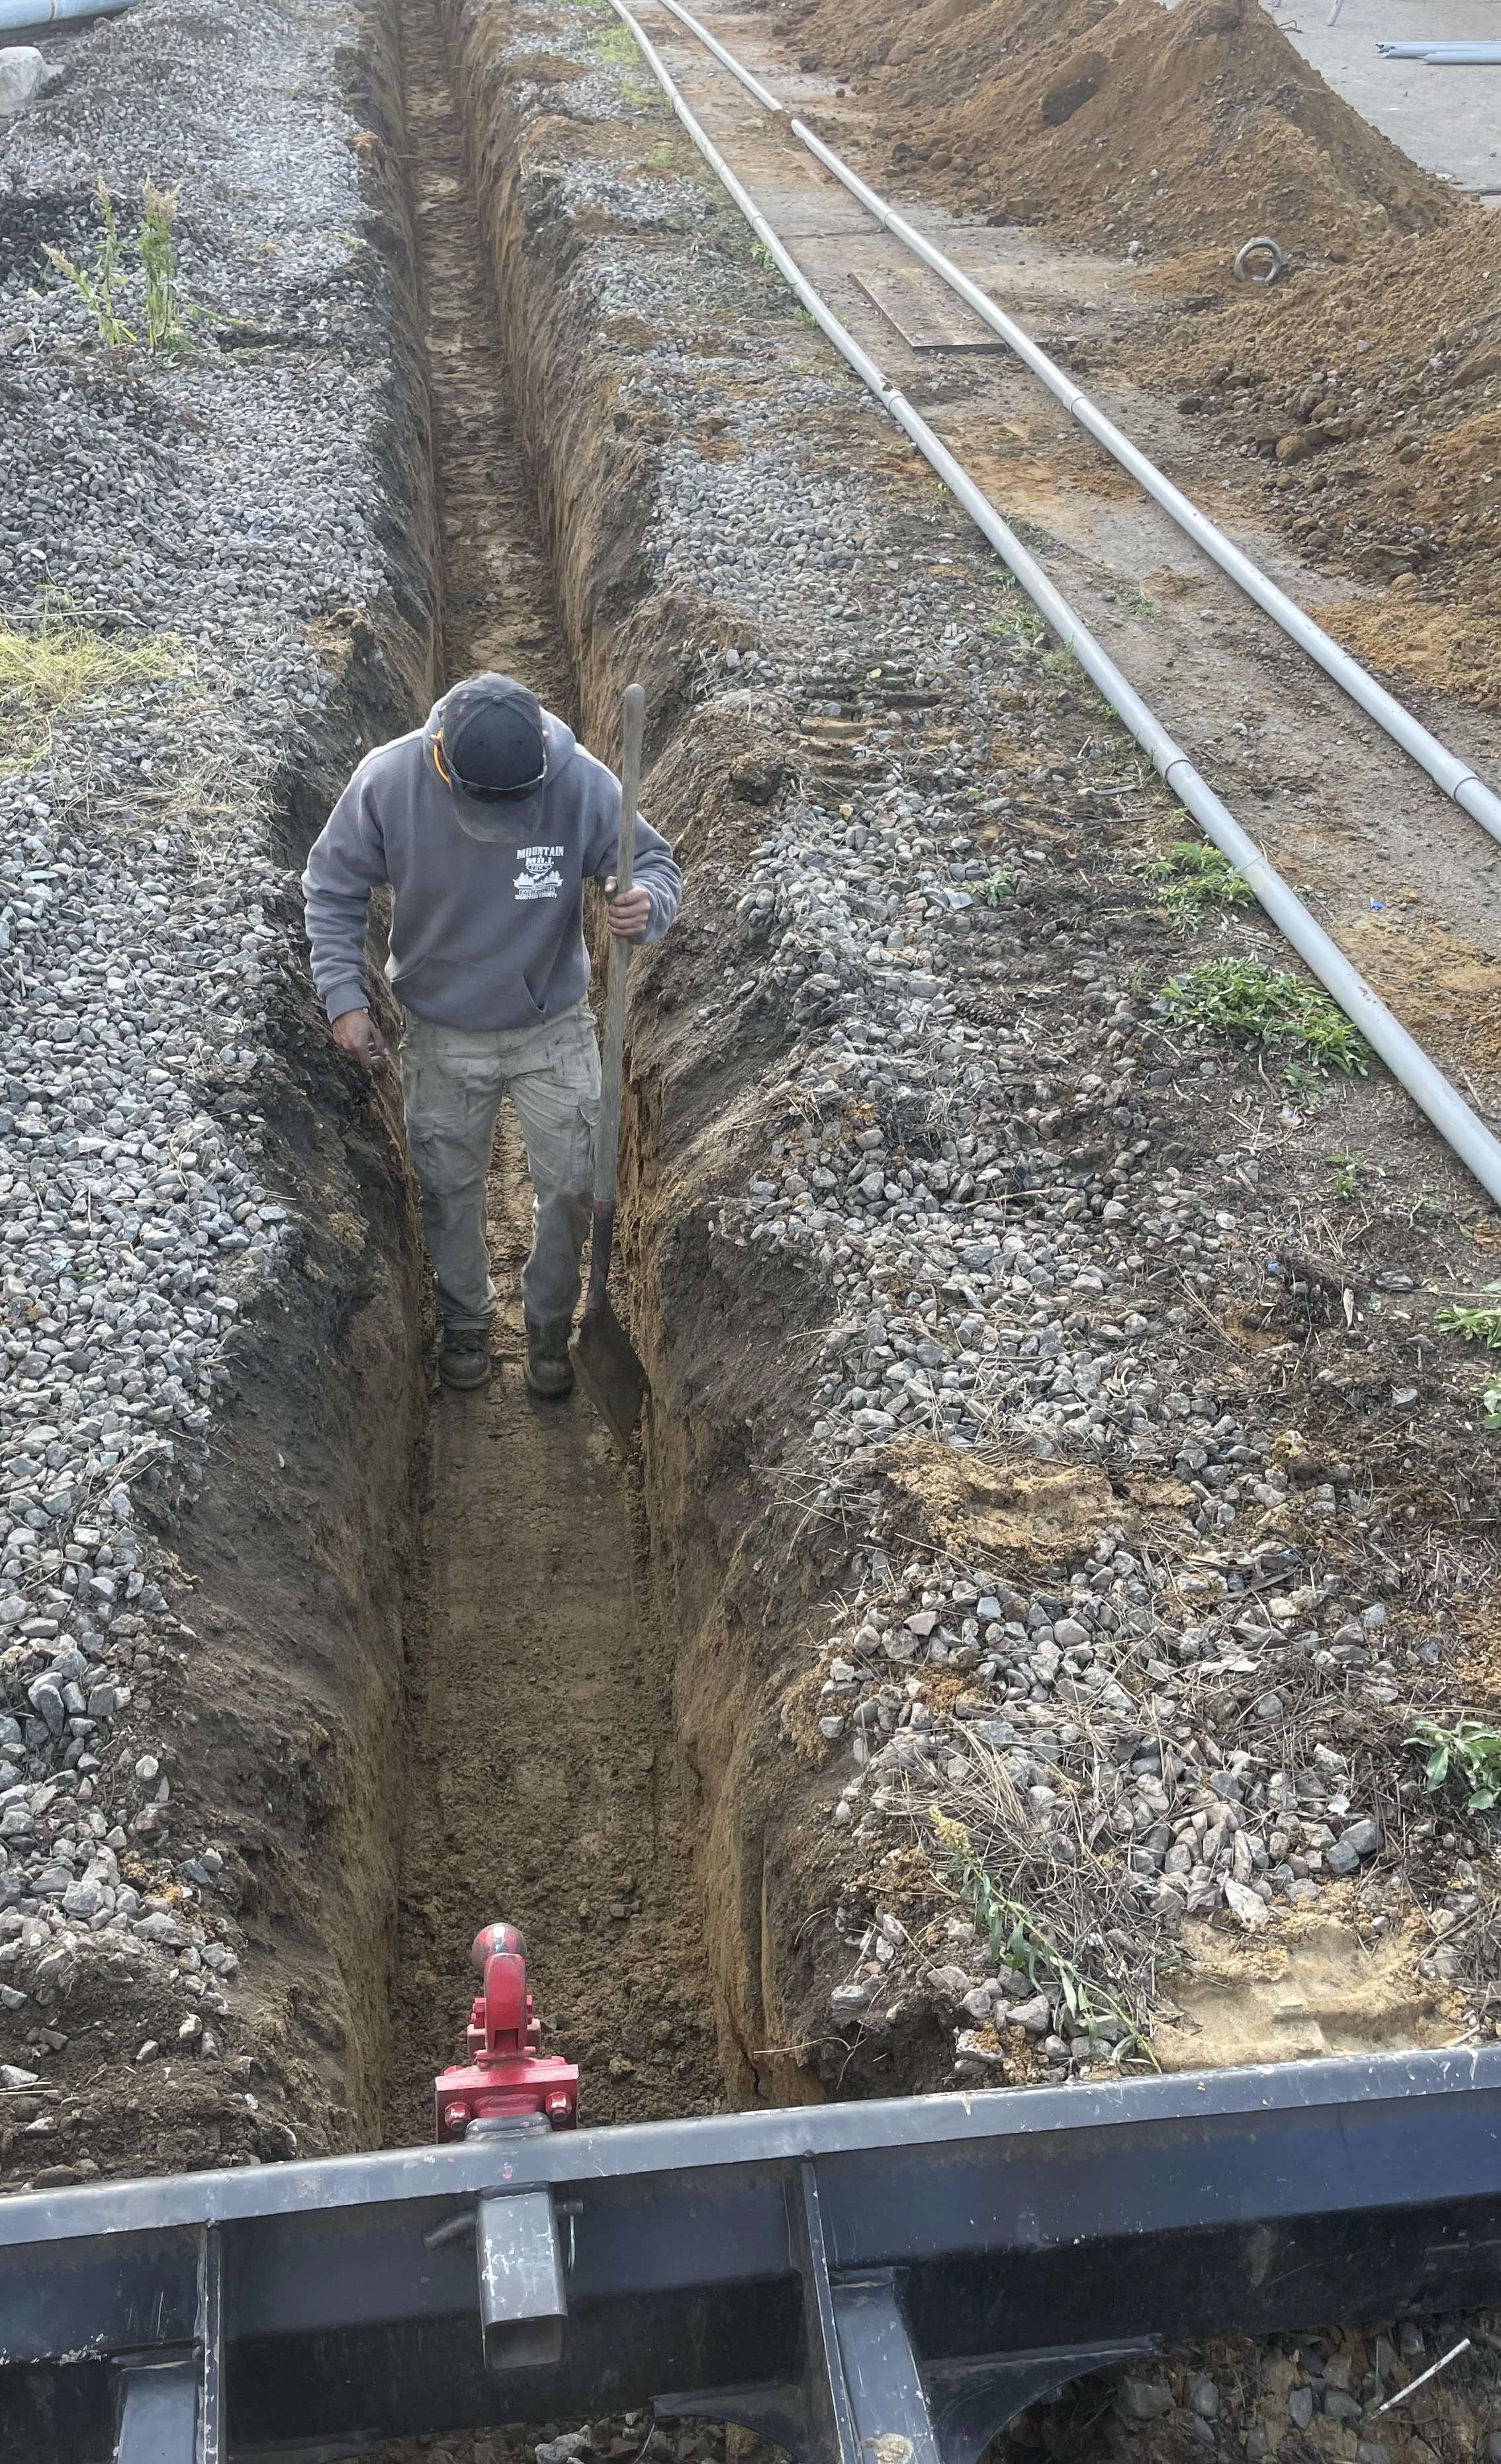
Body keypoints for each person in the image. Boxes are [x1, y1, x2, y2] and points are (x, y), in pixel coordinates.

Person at [301, 672, 682, 1395]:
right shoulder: (388, 781)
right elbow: (332, 885)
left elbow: (655, 862)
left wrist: (645, 904)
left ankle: (548, 1326)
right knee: (447, 1189)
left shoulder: (579, 783)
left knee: (572, 1183)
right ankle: (466, 1320)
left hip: (554, 1024)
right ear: (442, 760)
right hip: (442, 1028)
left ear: (542, 756)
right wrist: (344, 998)